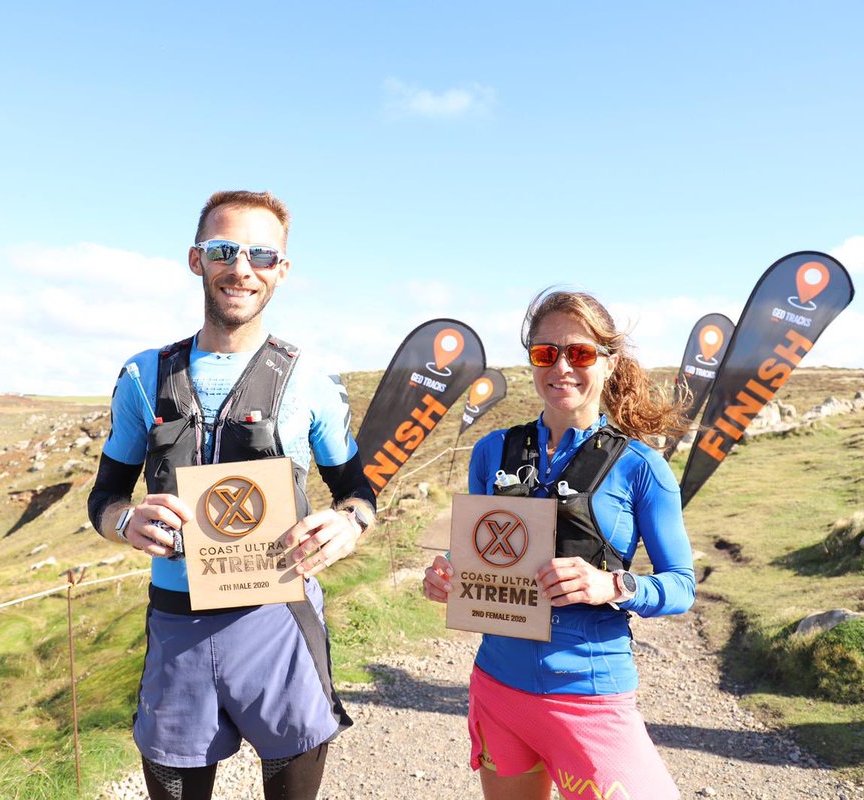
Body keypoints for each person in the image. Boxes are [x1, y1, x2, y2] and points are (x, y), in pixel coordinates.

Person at [87, 190, 376, 800]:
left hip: (280, 625)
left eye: (262, 255)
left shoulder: (311, 383)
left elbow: (357, 491)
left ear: (282, 271)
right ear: (197, 260)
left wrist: (349, 524)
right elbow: (105, 496)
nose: (242, 268)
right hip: (177, 627)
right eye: (225, 250)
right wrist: (124, 521)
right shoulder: (144, 375)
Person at [423, 288, 695, 800]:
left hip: (589, 697)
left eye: (582, 353)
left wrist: (610, 584)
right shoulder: (492, 451)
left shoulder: (641, 468)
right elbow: (475, 556)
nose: (562, 366)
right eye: (546, 353)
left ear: (610, 364)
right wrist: (446, 577)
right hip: (498, 687)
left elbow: (681, 586)